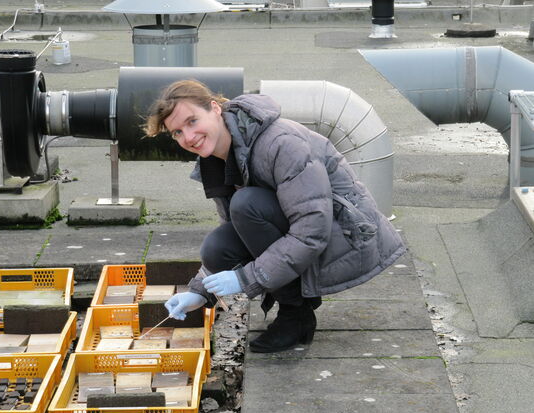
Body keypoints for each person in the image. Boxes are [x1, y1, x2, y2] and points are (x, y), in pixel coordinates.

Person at [144, 80, 405, 353]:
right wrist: (199, 292)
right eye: (177, 132)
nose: (188, 137)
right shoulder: (215, 158)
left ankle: (296, 314)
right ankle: (293, 307)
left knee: (246, 204)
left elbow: (311, 228)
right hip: (306, 232)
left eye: (192, 121)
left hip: (346, 236)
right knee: (218, 245)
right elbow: (237, 230)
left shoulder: (280, 143)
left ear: (215, 109)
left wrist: (247, 278)